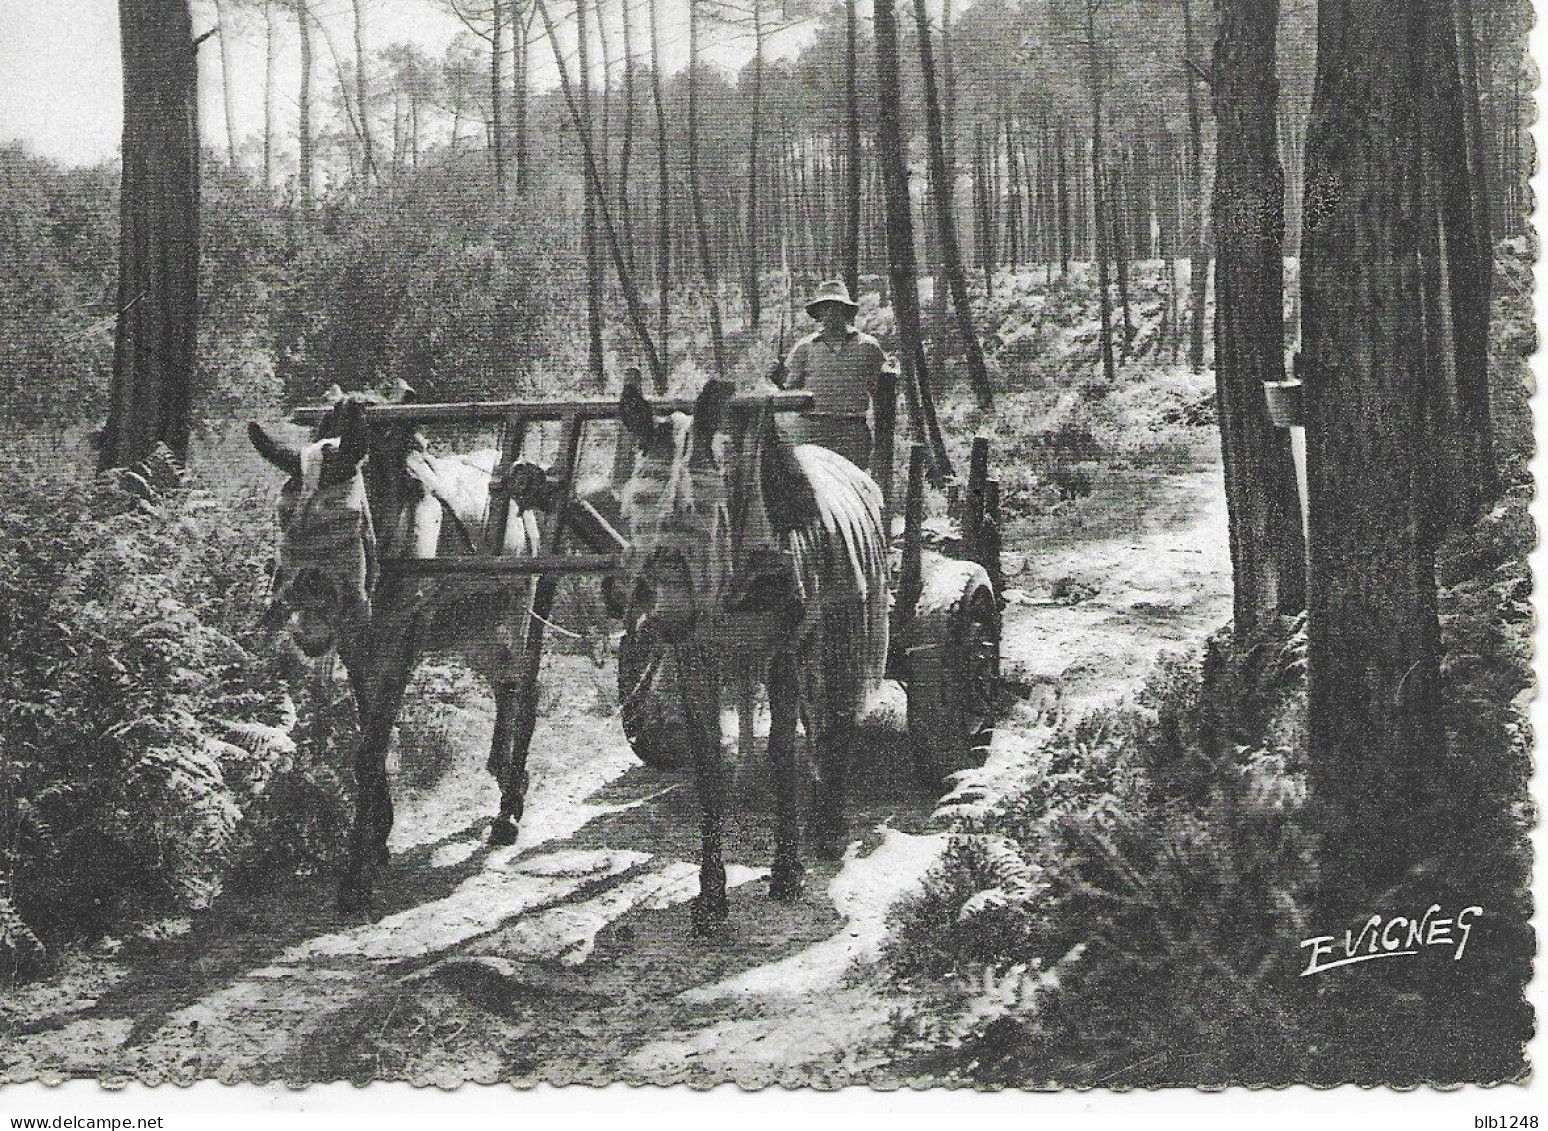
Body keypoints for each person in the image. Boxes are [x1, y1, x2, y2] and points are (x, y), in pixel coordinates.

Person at [776, 279, 886, 470]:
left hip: (852, 432)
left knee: (853, 489)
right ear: (818, 313)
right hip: (810, 431)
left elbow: (881, 392)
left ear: (846, 311)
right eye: (825, 308)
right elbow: (789, 389)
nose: (831, 313)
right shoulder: (804, 348)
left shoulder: (868, 347)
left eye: (837, 307)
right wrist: (778, 377)